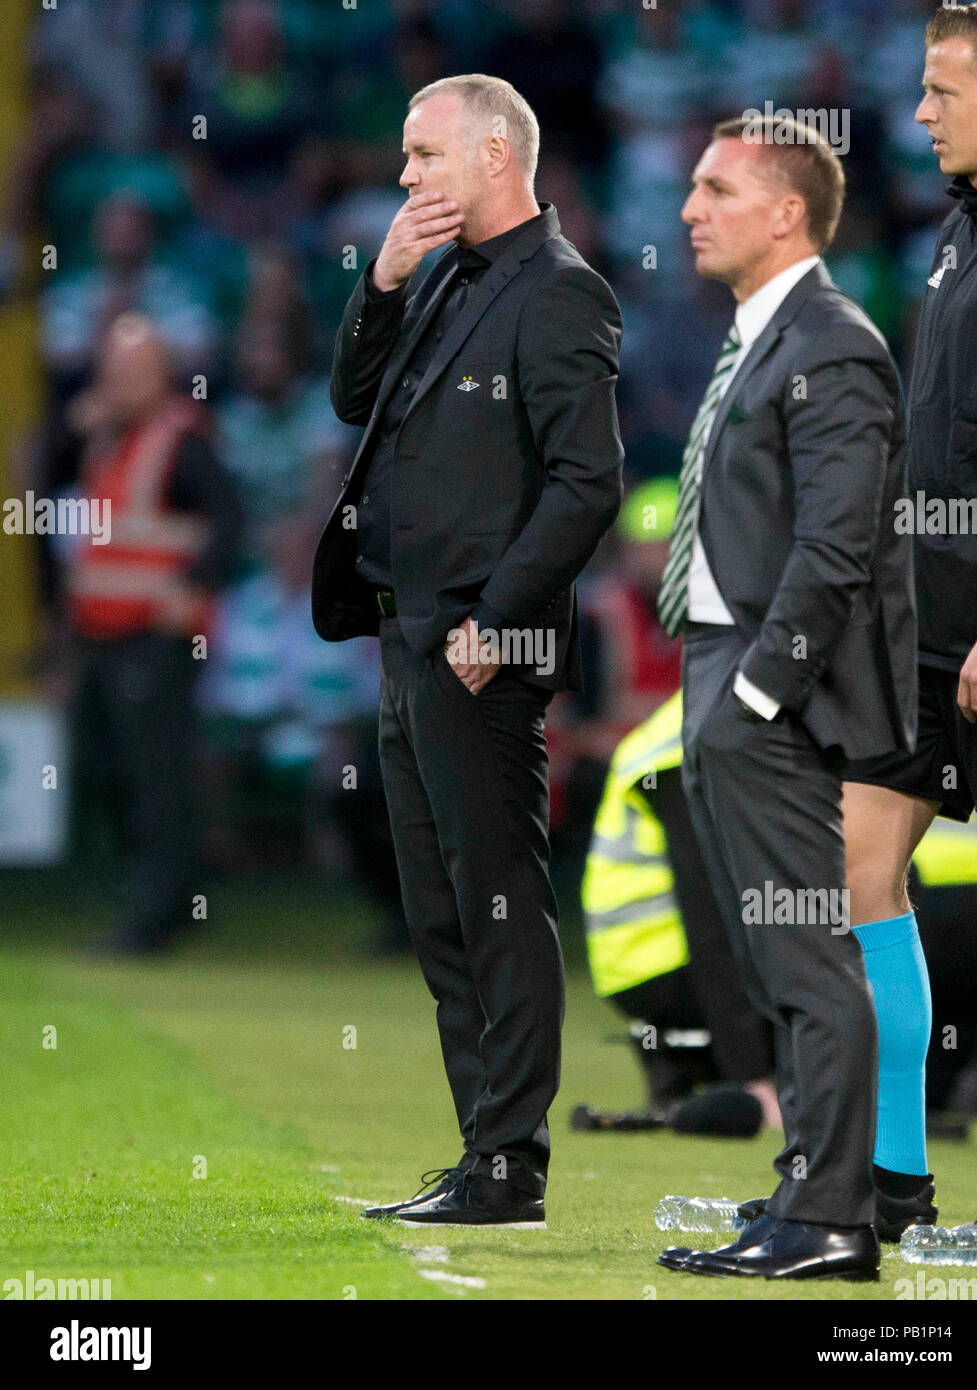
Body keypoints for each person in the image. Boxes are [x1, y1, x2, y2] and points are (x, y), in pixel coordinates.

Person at [310, 74, 624, 1228]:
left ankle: (512, 1163)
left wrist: (499, 613)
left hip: (478, 643)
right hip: (406, 633)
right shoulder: (440, 275)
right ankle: (481, 1150)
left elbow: (593, 480)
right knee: (443, 909)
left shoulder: (563, 292)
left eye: (423, 154)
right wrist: (382, 279)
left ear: (497, 154)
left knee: (495, 898)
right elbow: (354, 400)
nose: (405, 176)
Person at [655, 116, 916, 1281]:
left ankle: (831, 1218)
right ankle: (807, 1193)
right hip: (720, 665)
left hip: (764, 684)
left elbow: (837, 547)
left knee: (807, 955)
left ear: (786, 213)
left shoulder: (833, 344)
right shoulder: (770, 338)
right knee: (779, 957)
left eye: (715, 190)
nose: (689, 210)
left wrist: (756, 692)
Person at [842, 1, 977, 1236]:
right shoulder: (959, 233)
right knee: (856, 870)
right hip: (924, 614)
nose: (919, 114)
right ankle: (891, 1174)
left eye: (942, 90)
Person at [65, 313, 241, 956]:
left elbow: (230, 520)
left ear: (162, 376)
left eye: (132, 371)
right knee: (109, 770)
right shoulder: (101, 438)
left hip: (159, 640)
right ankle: (175, 897)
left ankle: (158, 914)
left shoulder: (182, 443)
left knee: (156, 779)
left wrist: (193, 588)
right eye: (110, 369)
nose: (117, 383)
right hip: (102, 640)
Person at [577, 689, 778, 1138]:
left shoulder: (691, 721)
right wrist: (755, 1077)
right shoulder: (689, 746)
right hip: (664, 964)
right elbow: (710, 921)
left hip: (643, 964)